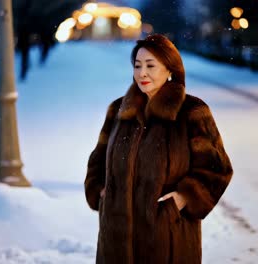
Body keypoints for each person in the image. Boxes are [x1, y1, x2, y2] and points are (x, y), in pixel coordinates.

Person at [84, 34, 233, 264]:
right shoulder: (119, 110)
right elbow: (98, 160)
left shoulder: (192, 111)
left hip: (169, 240)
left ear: (170, 69)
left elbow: (218, 168)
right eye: (137, 66)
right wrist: (102, 193)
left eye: (150, 66)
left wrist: (184, 198)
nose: (142, 73)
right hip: (115, 243)